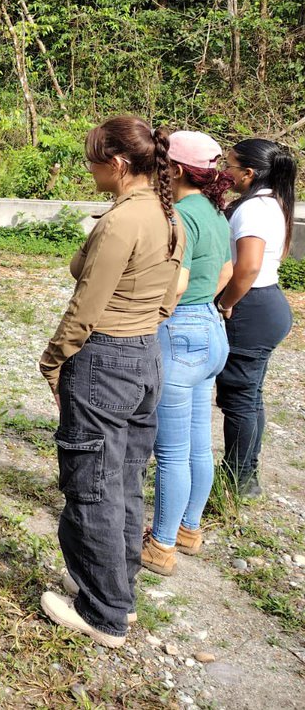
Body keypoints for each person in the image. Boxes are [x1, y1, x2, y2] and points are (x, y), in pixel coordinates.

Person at [38, 116, 183, 648]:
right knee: (122, 479)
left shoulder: (122, 222)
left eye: (93, 160)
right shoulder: (168, 215)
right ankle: (119, 595)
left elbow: (86, 305)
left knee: (91, 484)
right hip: (145, 354)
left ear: (118, 163)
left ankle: (102, 613)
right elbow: (171, 293)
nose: (89, 169)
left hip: (103, 358)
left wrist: (54, 360)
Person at [141, 132, 233, 576]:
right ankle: (188, 530)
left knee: (172, 452)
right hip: (212, 331)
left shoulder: (177, 215)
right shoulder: (215, 213)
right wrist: (201, 307)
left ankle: (160, 546)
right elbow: (228, 271)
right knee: (199, 440)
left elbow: (176, 283)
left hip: (181, 336)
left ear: (174, 170)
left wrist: (159, 314)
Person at [213, 139, 298, 498]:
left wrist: (226, 303)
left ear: (248, 173)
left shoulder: (253, 210)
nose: (224, 172)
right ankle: (245, 473)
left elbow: (248, 267)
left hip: (251, 306)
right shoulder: (271, 203)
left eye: (230, 166)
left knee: (240, 399)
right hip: (265, 304)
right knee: (249, 396)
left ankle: (240, 477)